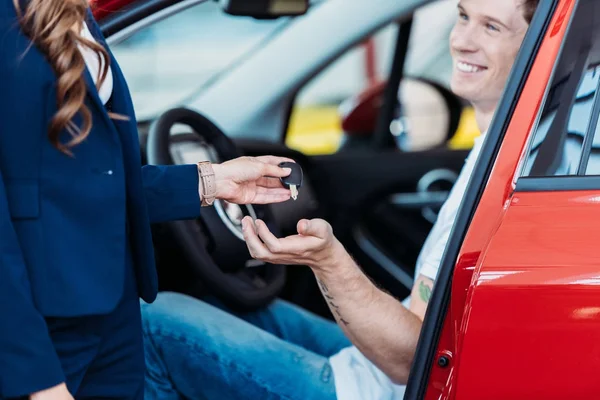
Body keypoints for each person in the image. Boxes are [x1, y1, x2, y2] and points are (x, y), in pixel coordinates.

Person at [140, 0, 540, 399]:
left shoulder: (511, 179)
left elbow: (410, 360)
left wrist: (327, 259)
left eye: (492, 28)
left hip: (388, 387)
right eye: (464, 16)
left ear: (537, 49)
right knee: (226, 303)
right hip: (378, 371)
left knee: (152, 324)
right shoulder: (501, 150)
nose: (462, 41)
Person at [0, 1, 294, 399]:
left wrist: (212, 180)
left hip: (114, 312)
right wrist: (36, 378)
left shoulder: (77, 14)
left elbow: (88, 182)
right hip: (39, 327)